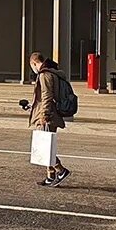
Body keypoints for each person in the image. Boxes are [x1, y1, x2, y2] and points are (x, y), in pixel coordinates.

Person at [27, 52, 70, 187]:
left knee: (44, 147)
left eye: (32, 66)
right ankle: (50, 176)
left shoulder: (45, 75)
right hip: (52, 114)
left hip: (48, 116)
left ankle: (61, 170)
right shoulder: (53, 72)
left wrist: (43, 115)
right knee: (45, 145)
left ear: (35, 63)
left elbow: (47, 96)